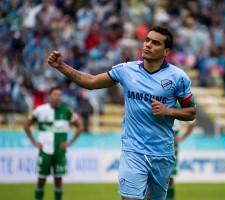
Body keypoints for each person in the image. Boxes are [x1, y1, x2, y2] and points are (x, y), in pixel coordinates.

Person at [47, 26, 197, 200]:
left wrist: (168, 111)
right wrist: (61, 66)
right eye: (147, 40)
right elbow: (91, 81)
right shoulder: (126, 70)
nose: (147, 45)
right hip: (132, 150)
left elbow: (191, 112)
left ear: (166, 51)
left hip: (162, 153)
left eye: (155, 43)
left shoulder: (178, 77)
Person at [24, 86, 83, 200]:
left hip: (59, 152)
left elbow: (80, 127)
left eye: (59, 95)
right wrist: (34, 142)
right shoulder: (40, 110)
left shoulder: (67, 111)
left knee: (58, 180)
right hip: (44, 151)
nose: (57, 97)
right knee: (41, 180)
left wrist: (69, 143)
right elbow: (26, 124)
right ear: (49, 96)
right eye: (55, 94)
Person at [166, 117, 197, 200]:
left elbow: (193, 122)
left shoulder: (179, 105)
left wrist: (182, 137)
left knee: (170, 177)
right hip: (155, 143)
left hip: (171, 146)